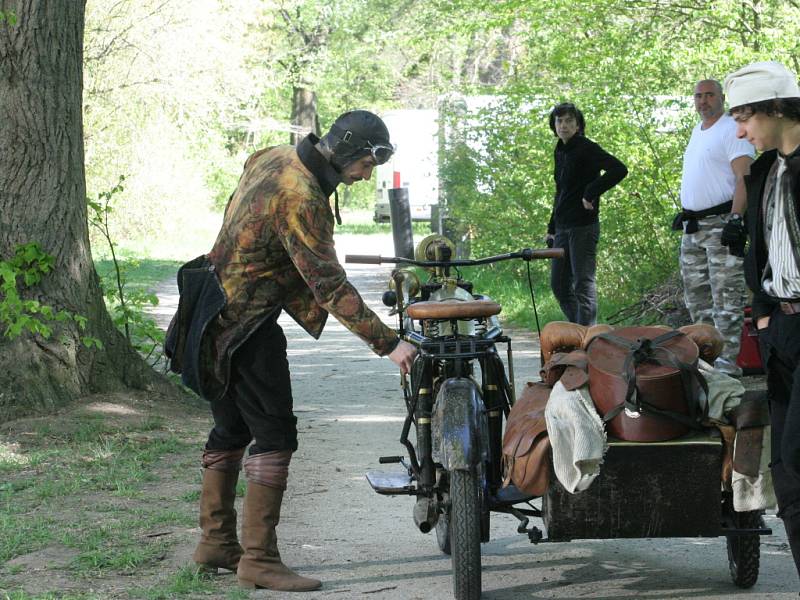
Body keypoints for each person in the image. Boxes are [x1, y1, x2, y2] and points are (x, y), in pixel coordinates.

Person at [165, 110, 417, 592]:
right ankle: (258, 558)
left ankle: (216, 543)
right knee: (276, 434)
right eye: (366, 163)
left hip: (211, 311)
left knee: (231, 427)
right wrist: (389, 344)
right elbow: (327, 283)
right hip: (246, 326)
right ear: (344, 152)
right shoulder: (301, 196)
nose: (367, 175)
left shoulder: (273, 156)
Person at [725, 61, 800, 581]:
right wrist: (768, 316)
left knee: (796, 463)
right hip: (782, 336)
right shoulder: (765, 169)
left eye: (744, 116)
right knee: (787, 473)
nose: (739, 130)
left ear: (776, 109)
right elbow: (767, 255)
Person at [674, 79, 754, 377]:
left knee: (726, 296)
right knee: (697, 297)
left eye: (709, 95)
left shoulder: (732, 128)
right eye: (698, 96)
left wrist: (736, 219)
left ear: (722, 97)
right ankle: (705, 360)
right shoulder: (699, 130)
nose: (703, 101)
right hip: (693, 226)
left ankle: (727, 365)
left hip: (721, 224)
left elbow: (744, 177)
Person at [546, 102, 628, 326]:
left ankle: (588, 337)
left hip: (583, 226)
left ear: (578, 124)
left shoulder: (586, 147)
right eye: (559, 121)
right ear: (554, 125)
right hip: (562, 227)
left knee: (583, 282)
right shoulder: (560, 149)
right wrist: (551, 228)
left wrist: (590, 193)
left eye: (569, 121)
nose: (564, 125)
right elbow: (561, 190)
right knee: (560, 285)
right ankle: (579, 331)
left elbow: (619, 169)